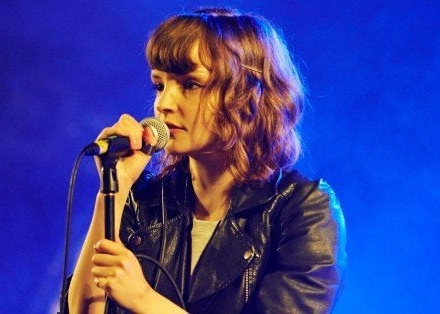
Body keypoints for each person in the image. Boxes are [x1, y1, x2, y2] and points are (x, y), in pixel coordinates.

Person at [67, 7, 346, 314]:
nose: (163, 103)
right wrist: (115, 190)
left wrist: (144, 299)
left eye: (189, 85)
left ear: (247, 95)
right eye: (159, 85)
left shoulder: (302, 209)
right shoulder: (144, 201)